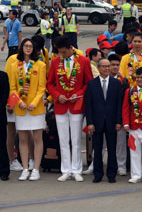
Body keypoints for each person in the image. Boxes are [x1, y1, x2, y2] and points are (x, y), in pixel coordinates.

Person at [47, 35, 93, 182]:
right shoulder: (55, 62)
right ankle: (65, 169)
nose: (62, 55)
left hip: (76, 105)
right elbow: (50, 84)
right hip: (61, 105)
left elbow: (89, 83)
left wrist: (78, 94)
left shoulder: (84, 61)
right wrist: (56, 95)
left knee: (76, 139)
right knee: (63, 139)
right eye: (59, 52)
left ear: (70, 48)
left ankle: (77, 169)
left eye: (64, 52)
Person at [8, 39, 46, 181]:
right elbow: (12, 88)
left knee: (37, 137)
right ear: (22, 48)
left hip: (36, 108)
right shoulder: (13, 66)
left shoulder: (40, 65)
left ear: (34, 49)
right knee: (23, 138)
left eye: (30, 46)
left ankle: (36, 168)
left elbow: (42, 88)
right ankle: (25, 168)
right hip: (21, 107)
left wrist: (34, 103)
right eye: (26, 46)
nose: (28, 48)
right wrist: (19, 102)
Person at [85, 58, 123, 183]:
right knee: (97, 148)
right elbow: (88, 106)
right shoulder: (92, 84)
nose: (107, 68)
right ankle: (98, 174)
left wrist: (118, 121)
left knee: (112, 149)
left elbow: (119, 105)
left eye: (109, 66)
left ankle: (111, 174)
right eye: (104, 66)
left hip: (112, 122)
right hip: (97, 122)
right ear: (99, 67)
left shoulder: (116, 83)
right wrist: (89, 122)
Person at [0, 68, 8, 181]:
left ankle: (4, 171)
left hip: (0, 114)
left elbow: (5, 95)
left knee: (1, 143)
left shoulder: (3, 76)